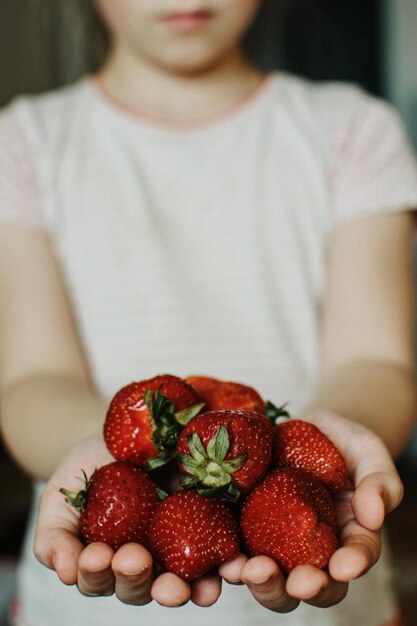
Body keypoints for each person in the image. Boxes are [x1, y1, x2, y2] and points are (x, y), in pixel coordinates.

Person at [0, 1, 417, 624]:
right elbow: (32, 381)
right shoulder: (25, 143)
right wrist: (113, 456)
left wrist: (333, 436)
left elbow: (375, 360)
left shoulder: (354, 130)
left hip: (330, 603)